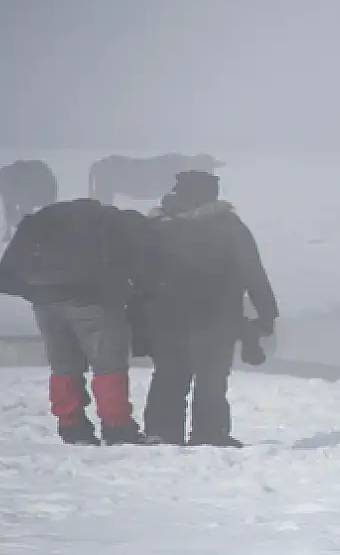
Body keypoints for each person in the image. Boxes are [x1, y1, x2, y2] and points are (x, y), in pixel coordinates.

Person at [141, 171, 278, 447]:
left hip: (165, 315)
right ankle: (209, 432)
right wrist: (266, 314)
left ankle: (161, 432)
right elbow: (252, 271)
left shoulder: (157, 226)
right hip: (218, 315)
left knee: (169, 373)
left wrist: (137, 316)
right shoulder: (228, 226)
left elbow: (138, 272)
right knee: (212, 376)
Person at [0, 198, 151, 445]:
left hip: (47, 304)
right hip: (94, 302)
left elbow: (6, 271)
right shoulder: (111, 222)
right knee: (108, 366)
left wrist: (37, 293)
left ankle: (72, 427)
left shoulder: (41, 222)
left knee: (64, 367)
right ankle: (117, 427)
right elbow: (137, 262)